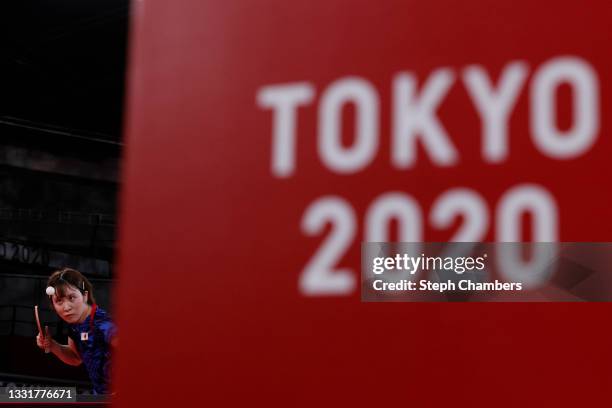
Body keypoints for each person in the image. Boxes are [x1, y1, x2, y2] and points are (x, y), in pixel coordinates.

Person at [35, 267, 117, 395]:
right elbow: (75, 358)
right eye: (59, 301)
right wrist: (52, 345)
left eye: (72, 297)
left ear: (85, 295)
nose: (66, 307)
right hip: (100, 397)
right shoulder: (74, 326)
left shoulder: (102, 324)